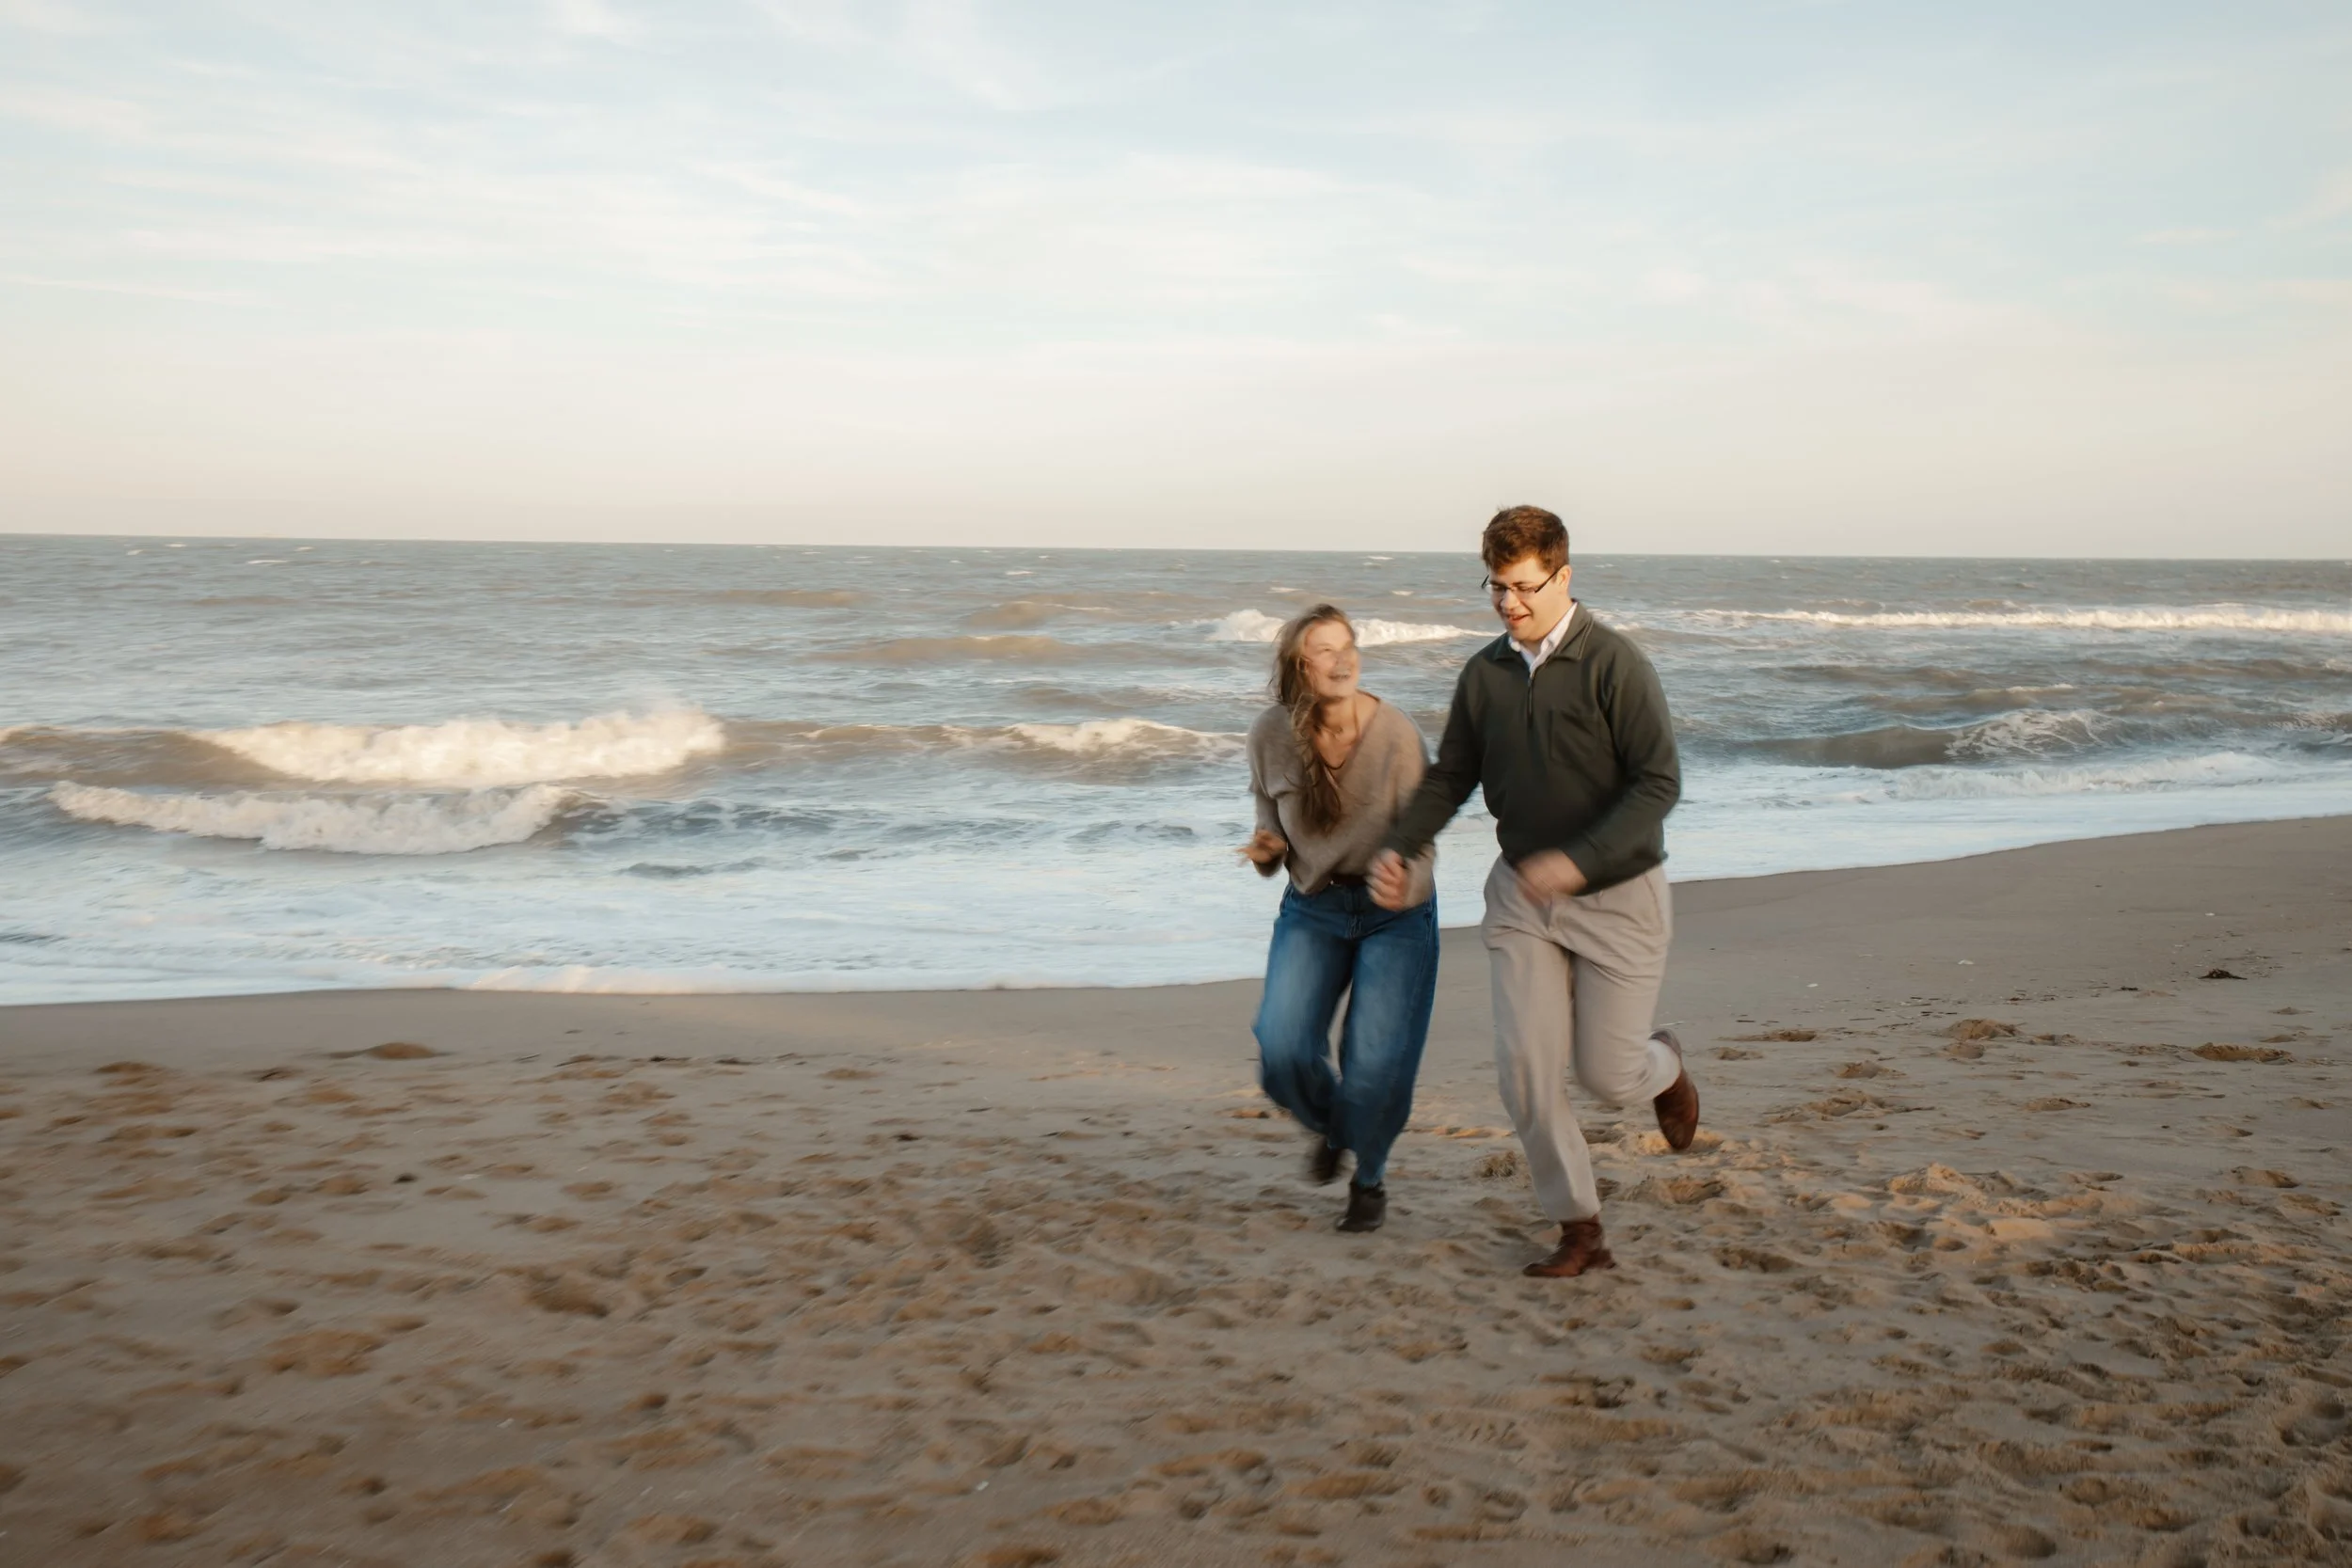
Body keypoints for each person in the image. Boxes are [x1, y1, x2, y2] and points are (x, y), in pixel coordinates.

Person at [1369, 506, 1697, 1278]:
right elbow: (1453, 773)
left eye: (1522, 586)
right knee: (1523, 1068)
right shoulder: (1484, 675)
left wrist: (1581, 861)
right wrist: (1402, 842)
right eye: (1495, 586)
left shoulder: (1616, 665)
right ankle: (1580, 1226)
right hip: (1521, 897)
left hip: (1619, 893)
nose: (1508, 603)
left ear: (1563, 577)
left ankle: (1668, 1067)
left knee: (1607, 1076)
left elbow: (1658, 784)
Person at [1240, 604, 1438, 1234]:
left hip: (1394, 914)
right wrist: (1266, 852)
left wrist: (1407, 874)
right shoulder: (1269, 735)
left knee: (1376, 1060)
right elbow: (1271, 836)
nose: (1343, 658)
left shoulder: (1396, 734)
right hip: (1314, 906)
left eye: (1348, 645)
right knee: (1282, 1048)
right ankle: (1338, 1126)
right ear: (1300, 666)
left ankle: (1369, 1177)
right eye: (1325, 650)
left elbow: (1424, 836)